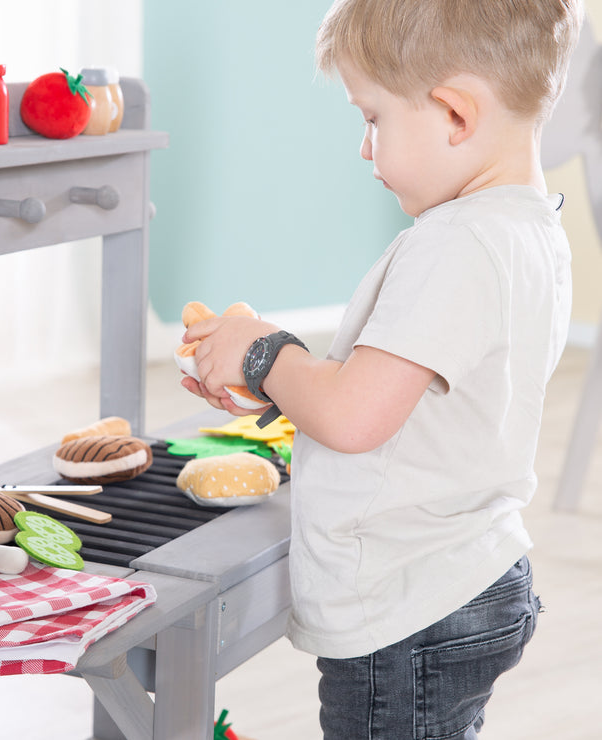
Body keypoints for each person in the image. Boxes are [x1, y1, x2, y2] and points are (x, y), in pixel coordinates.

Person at [180, 0, 583, 737]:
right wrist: (277, 389)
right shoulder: (528, 228)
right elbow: (419, 400)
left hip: (409, 609)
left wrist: (265, 352)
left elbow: (358, 415)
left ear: (455, 116)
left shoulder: (455, 244)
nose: (365, 149)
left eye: (373, 119)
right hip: (470, 576)